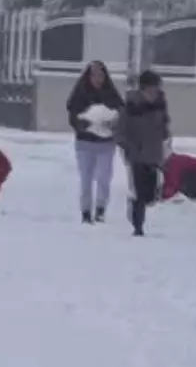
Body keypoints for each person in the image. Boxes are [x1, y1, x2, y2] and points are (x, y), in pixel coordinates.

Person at [66, 60, 124, 224]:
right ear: (88, 77)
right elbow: (73, 116)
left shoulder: (111, 94)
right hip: (85, 143)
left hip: (106, 144)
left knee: (104, 178)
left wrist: (113, 123)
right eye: (94, 75)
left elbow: (121, 113)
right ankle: (85, 211)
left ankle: (100, 209)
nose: (98, 78)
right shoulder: (80, 94)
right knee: (86, 179)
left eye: (101, 75)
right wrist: (83, 124)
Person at [115, 70, 169, 236]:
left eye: (156, 89)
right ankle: (138, 227)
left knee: (151, 195)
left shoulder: (160, 104)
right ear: (142, 89)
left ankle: (135, 206)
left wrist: (165, 138)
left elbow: (164, 126)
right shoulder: (130, 104)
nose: (153, 93)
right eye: (150, 90)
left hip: (154, 154)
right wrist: (128, 145)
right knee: (139, 192)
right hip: (136, 154)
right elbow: (120, 130)